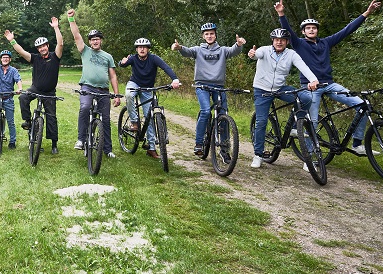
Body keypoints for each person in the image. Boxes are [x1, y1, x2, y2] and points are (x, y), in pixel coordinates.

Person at [276, 0, 382, 154]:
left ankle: (357, 144)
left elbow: (348, 30)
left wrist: (367, 12)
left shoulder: (326, 42)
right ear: (303, 31)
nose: (312, 30)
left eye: (314, 28)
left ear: (317, 30)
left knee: (361, 105)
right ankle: (311, 156)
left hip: (330, 84)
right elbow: (288, 31)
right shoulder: (299, 44)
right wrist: (281, 14)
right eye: (308, 28)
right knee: (312, 122)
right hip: (310, 87)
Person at [248, 28, 319, 168]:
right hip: (262, 89)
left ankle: (294, 127)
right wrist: (253, 54)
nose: (279, 42)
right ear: (272, 41)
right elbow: (257, 54)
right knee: (261, 121)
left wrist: (313, 80)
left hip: (280, 88)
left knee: (305, 98)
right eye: (276, 40)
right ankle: (258, 154)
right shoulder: (265, 50)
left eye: (282, 40)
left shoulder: (291, 54)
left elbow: (303, 67)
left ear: (287, 42)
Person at [172, 23, 246, 156]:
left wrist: (239, 44)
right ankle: (199, 143)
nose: (209, 36)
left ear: (215, 35)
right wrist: (179, 47)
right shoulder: (198, 50)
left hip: (219, 86)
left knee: (224, 116)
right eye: (206, 34)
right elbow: (187, 52)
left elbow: (233, 50)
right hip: (202, 86)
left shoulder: (222, 50)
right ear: (203, 36)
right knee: (206, 111)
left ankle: (224, 150)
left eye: (211, 33)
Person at [67, 9, 121, 157]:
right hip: (87, 87)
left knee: (106, 119)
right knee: (84, 107)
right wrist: (71, 19)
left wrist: (116, 95)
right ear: (90, 42)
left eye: (97, 38)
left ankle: (108, 149)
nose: (95, 41)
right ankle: (81, 139)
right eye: (92, 39)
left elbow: (113, 76)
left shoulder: (108, 56)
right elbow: (77, 35)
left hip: (103, 90)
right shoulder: (85, 51)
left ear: (101, 40)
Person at [8, 17, 64, 154]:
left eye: (44, 46)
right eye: (39, 47)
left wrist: (56, 27)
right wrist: (12, 40)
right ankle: (28, 121)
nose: (42, 48)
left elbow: (61, 44)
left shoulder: (55, 56)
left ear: (47, 46)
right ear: (38, 49)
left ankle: (54, 144)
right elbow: (21, 52)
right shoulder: (35, 58)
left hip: (49, 92)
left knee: (51, 117)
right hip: (36, 88)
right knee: (23, 98)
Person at [119, 38, 181, 159]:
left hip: (148, 88)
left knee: (150, 117)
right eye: (139, 47)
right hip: (134, 84)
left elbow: (166, 67)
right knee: (129, 95)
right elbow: (123, 64)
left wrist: (175, 79)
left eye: (144, 47)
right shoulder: (133, 58)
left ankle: (151, 148)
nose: (142, 49)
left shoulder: (154, 58)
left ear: (148, 49)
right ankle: (134, 122)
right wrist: (122, 62)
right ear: (136, 49)